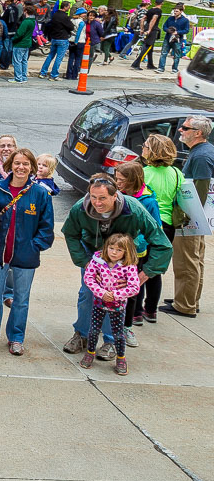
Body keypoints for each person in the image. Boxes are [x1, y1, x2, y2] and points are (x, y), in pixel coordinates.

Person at [61, 174, 171, 361]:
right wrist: (85, 263)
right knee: (88, 294)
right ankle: (82, 334)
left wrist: (146, 273)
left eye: (102, 198)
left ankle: (111, 341)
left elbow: (162, 243)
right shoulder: (81, 207)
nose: (97, 202)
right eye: (93, 197)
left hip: (122, 259)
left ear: (115, 195)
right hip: (94, 256)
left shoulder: (133, 209)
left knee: (116, 300)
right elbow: (70, 234)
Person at [0, 148, 55, 355]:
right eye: (17, 163)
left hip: (25, 256)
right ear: (10, 165)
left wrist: (34, 246)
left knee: (21, 299)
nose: (21, 167)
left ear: (32, 167)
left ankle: (16, 337)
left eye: (26, 164)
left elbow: (47, 227)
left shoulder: (40, 193)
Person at [164, 115, 214, 318]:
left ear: (198, 133)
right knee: (194, 259)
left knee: (187, 261)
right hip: (195, 218)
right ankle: (188, 298)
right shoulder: (201, 152)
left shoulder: (201, 156)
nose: (180, 131)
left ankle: (185, 305)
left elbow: (200, 192)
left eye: (184, 128)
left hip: (191, 219)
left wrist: (187, 218)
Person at [112, 160, 161, 343]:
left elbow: (155, 228)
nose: (118, 183)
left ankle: (126, 327)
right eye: (116, 179)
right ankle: (107, 325)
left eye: (122, 180)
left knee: (131, 294)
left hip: (135, 254)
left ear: (133, 180)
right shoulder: (116, 195)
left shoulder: (148, 201)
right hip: (113, 251)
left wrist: (138, 241)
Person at [79, 233, 140, 376]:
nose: (114, 252)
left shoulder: (129, 266)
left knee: (118, 334)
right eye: (111, 248)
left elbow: (134, 287)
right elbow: (89, 277)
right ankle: (90, 352)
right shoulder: (98, 261)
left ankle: (121, 358)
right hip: (99, 302)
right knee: (93, 330)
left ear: (126, 251)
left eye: (119, 250)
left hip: (117, 306)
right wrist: (100, 292)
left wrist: (116, 295)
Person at [140, 134, 183, 323]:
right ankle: (151, 310)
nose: (143, 148)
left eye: (146, 146)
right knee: (155, 269)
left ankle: (135, 311)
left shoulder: (144, 173)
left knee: (139, 268)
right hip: (167, 226)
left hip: (148, 225)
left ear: (153, 151)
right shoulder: (176, 173)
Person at [37, 0, 73, 80]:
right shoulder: (65, 17)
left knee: (50, 55)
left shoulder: (55, 15)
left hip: (54, 38)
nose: (69, 8)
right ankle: (54, 75)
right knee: (59, 58)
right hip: (62, 38)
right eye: (68, 7)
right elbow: (71, 27)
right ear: (66, 7)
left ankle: (43, 72)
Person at [129, 0, 164, 71]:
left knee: (150, 47)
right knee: (147, 46)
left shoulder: (151, 10)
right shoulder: (158, 11)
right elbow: (154, 19)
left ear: (155, 3)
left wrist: (142, 29)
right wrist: (149, 30)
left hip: (146, 27)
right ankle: (136, 63)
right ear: (162, 3)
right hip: (152, 29)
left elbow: (143, 19)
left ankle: (150, 64)